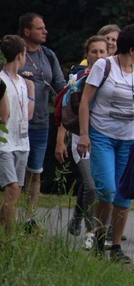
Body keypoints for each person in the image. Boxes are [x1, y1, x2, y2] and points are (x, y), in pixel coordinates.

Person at [76, 24, 134, 262]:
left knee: (124, 195)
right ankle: (99, 236)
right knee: (107, 189)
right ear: (132, 49)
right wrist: (84, 135)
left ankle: (115, 246)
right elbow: (85, 102)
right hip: (102, 135)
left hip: (130, 139)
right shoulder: (103, 66)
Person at [54, 35, 108, 250]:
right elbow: (66, 114)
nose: (98, 56)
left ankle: (80, 215)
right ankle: (91, 230)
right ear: (87, 54)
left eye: (102, 52)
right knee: (91, 185)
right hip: (81, 140)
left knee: (100, 186)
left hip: (106, 140)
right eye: (94, 51)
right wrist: (61, 141)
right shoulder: (78, 78)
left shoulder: (114, 77)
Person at [18, 13, 66, 227]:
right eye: (40, 28)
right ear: (27, 31)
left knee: (35, 172)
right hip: (16, 124)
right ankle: (9, 216)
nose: (45, 31)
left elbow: (60, 85)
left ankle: (29, 218)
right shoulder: (14, 54)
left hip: (40, 122)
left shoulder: (48, 55)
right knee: (15, 175)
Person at [0, 35, 35, 230]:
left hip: (22, 142)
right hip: (4, 143)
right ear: (20, 55)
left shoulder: (22, 81)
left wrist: (32, 90)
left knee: (15, 193)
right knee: (12, 189)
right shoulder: (1, 80)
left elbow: (28, 114)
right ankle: (10, 236)